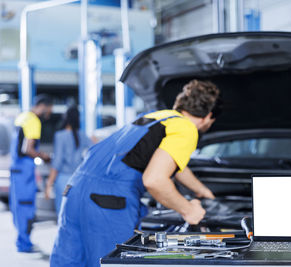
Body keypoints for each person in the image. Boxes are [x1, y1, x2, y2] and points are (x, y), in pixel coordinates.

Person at [50, 80, 222, 267]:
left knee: (69, 262)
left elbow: (172, 163)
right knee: (112, 263)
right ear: (208, 116)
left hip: (75, 190)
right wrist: (188, 210)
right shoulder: (186, 129)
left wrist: (202, 191)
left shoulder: (155, 118)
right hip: (108, 200)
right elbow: (154, 180)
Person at [9, 94, 53, 253]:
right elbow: (28, 149)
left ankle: (22, 241)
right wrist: (44, 156)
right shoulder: (34, 121)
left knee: (18, 206)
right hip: (25, 170)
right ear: (43, 106)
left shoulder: (22, 117)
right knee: (27, 206)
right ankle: (24, 244)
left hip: (15, 168)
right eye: (49, 109)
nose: (49, 113)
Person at [45, 105, 93, 215]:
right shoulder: (83, 135)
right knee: (76, 215)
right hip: (79, 180)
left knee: (63, 215)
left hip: (64, 181)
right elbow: (94, 150)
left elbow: (57, 162)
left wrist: (49, 184)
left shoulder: (60, 136)